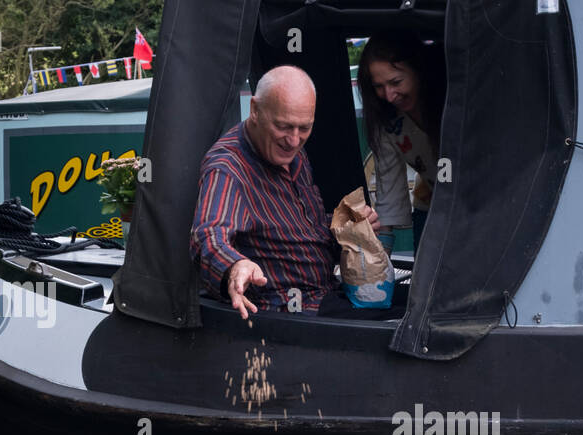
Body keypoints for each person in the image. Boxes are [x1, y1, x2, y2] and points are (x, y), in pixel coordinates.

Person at [191, 65, 382, 319]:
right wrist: (235, 266)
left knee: (416, 307)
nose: (293, 140)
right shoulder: (227, 168)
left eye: (304, 128)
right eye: (283, 126)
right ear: (255, 110)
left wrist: (348, 225)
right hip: (291, 312)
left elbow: (306, 230)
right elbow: (208, 236)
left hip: (329, 291)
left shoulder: (293, 153)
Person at [356, 33, 446, 252]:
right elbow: (389, 183)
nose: (388, 95)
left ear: (418, 71)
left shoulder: (450, 105)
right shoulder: (385, 119)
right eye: (378, 86)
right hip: (430, 206)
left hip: (476, 205)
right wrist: (382, 253)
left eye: (396, 82)